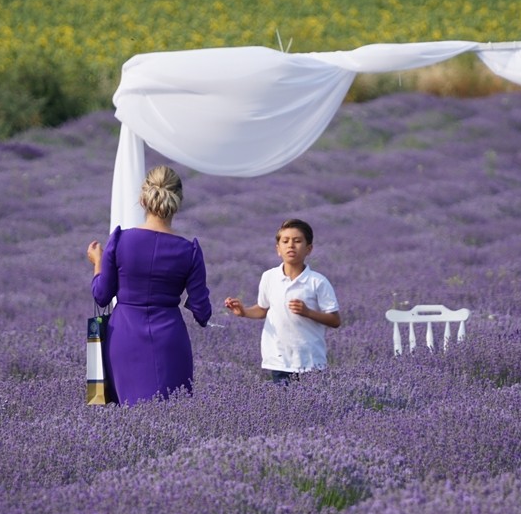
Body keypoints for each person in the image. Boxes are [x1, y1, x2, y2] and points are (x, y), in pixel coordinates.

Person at [87, 165, 211, 405]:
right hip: (169, 341)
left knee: (129, 416)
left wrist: (98, 262)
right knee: (174, 414)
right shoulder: (189, 250)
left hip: (124, 338)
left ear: (143, 198)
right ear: (178, 199)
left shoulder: (120, 239)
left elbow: (101, 295)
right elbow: (202, 313)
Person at [224, 218, 341, 383]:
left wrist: (308, 312)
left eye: (297, 241)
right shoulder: (269, 277)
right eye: (285, 241)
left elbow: (335, 320)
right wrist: (243, 312)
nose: (291, 245)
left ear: (309, 249)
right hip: (279, 359)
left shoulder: (318, 282)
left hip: (310, 360)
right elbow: (262, 309)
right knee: (284, 399)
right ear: (278, 249)